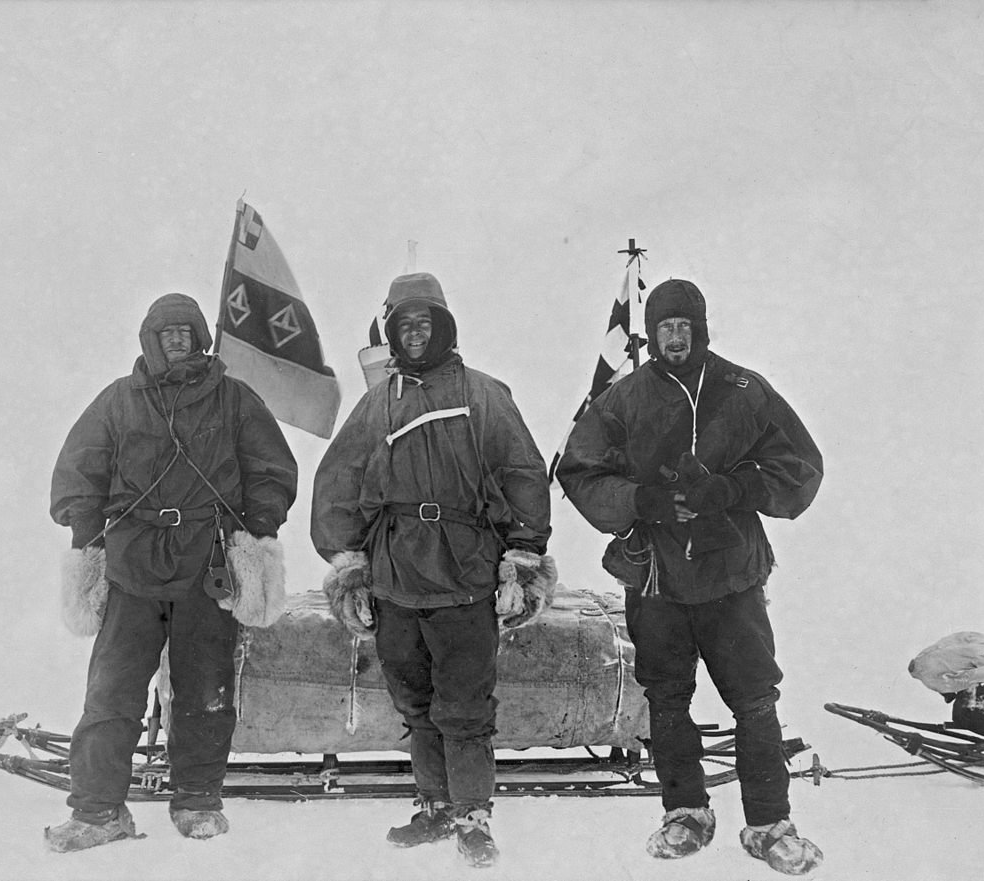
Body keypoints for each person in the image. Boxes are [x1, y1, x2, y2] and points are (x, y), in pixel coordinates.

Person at [557, 278, 825, 876]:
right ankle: (685, 813)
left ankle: (768, 825)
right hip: (656, 575)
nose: (674, 338)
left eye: (684, 327)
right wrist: (640, 500)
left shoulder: (744, 389)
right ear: (649, 334)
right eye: (663, 329)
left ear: (700, 329)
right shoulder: (624, 398)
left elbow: (800, 468)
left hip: (731, 574)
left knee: (755, 701)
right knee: (667, 700)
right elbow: (578, 470)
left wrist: (735, 486)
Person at [311, 272, 555, 869]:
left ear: (443, 326)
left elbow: (523, 473)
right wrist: (349, 567)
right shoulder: (379, 403)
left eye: (425, 322)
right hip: (396, 576)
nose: (415, 334)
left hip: (465, 571)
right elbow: (338, 482)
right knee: (415, 704)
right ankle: (435, 805)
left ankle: (473, 812)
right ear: (391, 331)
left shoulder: (485, 393)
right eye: (404, 324)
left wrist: (521, 558)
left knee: (465, 706)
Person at [44, 292, 298, 852]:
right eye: (167, 332)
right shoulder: (119, 400)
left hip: (206, 564)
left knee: (204, 691)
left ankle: (198, 800)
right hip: (132, 565)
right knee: (111, 692)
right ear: (150, 339)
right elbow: (78, 469)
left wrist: (258, 526)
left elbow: (271, 468)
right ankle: (97, 811)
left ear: (201, 337)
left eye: (186, 331)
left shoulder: (233, 399)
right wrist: (84, 533)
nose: (177, 339)